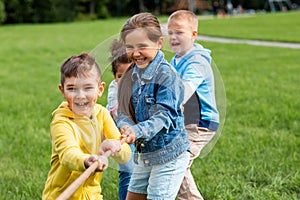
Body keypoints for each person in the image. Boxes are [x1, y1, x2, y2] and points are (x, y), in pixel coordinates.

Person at [116, 12, 190, 200]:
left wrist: (137, 130)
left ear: (159, 43)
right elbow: (125, 110)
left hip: (169, 156)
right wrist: (125, 125)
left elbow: (163, 117)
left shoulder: (167, 76)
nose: (135, 53)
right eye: (130, 47)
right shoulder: (131, 74)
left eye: (142, 46)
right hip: (146, 153)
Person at [42, 52, 131, 200]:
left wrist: (116, 146)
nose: (80, 95)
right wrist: (86, 160)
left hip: (93, 196)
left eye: (88, 88)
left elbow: (125, 156)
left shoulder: (102, 114)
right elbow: (67, 153)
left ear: (100, 89)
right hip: (62, 195)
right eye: (72, 89)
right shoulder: (61, 122)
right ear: (62, 90)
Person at [167, 10, 220, 200]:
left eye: (179, 32)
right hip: (185, 122)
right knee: (171, 162)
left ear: (193, 35)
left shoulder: (197, 60)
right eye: (170, 32)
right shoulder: (177, 59)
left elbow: (186, 89)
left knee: (176, 164)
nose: (173, 37)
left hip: (200, 124)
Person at [107, 39, 135, 200]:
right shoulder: (114, 89)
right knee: (128, 171)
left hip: (140, 134)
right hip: (121, 135)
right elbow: (117, 111)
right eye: (119, 76)